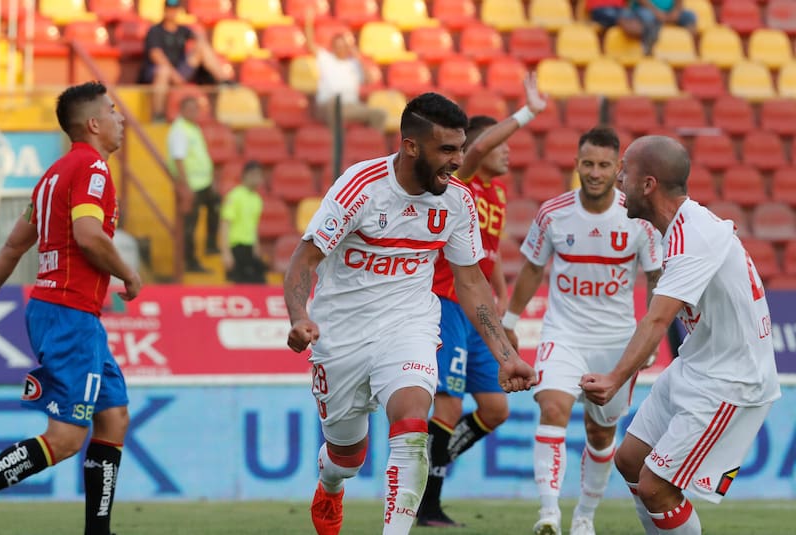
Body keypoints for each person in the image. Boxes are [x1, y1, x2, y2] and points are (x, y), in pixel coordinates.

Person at [284, 92, 537, 535]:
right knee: (347, 457)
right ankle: (330, 485)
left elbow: (472, 281)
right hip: (341, 334)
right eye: (447, 150)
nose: (458, 161)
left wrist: (504, 354)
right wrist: (299, 316)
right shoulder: (360, 187)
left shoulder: (457, 202)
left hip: (409, 325)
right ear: (411, 146)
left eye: (461, 149)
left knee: (413, 421)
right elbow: (304, 262)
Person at [580, 136, 781, 535]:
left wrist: (614, 378)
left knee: (657, 487)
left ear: (648, 184)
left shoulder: (692, 238)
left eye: (625, 172)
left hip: (731, 381)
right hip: (698, 363)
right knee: (631, 460)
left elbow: (656, 321)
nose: (618, 180)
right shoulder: (677, 227)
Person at [0, 81, 142, 535]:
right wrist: (128, 274)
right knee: (65, 439)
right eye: (114, 111)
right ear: (94, 124)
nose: (122, 119)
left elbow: (12, 248)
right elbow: (89, 235)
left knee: (113, 416)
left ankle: (97, 531)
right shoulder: (93, 169)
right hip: (69, 315)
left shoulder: (52, 177)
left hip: (67, 314)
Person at [502, 127, 663, 535]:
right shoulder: (553, 213)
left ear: (618, 169)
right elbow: (533, 268)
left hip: (616, 342)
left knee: (600, 431)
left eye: (604, 165)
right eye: (587, 163)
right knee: (552, 408)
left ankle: (585, 517)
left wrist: (651, 338)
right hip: (564, 333)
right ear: (576, 164)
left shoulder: (637, 218)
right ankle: (549, 513)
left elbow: (658, 278)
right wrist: (509, 321)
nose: (594, 172)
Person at [416, 74, 548, 528]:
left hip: (479, 313)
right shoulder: (464, 183)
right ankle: (427, 503)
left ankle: (428, 471)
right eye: (500, 144)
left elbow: (486, 257)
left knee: (495, 409)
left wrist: (506, 309)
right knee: (448, 406)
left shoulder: (497, 194)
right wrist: (527, 113)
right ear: (479, 147)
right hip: (448, 305)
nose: (509, 151)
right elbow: (471, 151)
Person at [138, 0, 234, 122]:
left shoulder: (183, 30)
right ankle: (158, 114)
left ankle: (223, 80)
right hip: (157, 74)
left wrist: (199, 36)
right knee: (163, 71)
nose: (172, 13)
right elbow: (156, 56)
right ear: (165, 10)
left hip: (179, 72)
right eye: (169, 9)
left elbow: (199, 38)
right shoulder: (155, 31)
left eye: (175, 9)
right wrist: (175, 76)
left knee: (202, 47)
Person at [304, 7, 386, 132]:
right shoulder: (326, 59)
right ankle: (337, 146)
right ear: (333, 47)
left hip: (350, 106)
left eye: (344, 46)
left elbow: (370, 78)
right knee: (334, 107)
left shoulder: (354, 64)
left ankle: (372, 146)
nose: (340, 49)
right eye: (338, 46)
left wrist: (357, 55)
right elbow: (310, 44)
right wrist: (308, 22)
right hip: (328, 104)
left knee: (380, 114)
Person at [167, 95, 222, 273]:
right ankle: (190, 262)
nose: (193, 112)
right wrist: (185, 186)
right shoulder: (180, 130)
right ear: (182, 110)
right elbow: (179, 159)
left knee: (216, 206)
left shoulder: (193, 128)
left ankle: (211, 243)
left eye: (195, 109)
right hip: (191, 185)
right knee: (190, 225)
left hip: (203, 182)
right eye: (190, 108)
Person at [219, 160, 267, 283]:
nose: (257, 179)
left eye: (259, 175)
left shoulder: (257, 199)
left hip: (249, 247)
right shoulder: (235, 196)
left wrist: (256, 247)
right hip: (236, 247)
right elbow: (225, 224)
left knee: (260, 281)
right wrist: (226, 252)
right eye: (254, 175)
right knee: (240, 284)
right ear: (246, 175)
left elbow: (253, 226)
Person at [619, 0, 697, 54]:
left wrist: (676, 11)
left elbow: (679, 4)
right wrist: (657, 12)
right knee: (648, 18)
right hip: (646, 9)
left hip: (668, 11)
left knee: (690, 16)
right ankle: (648, 49)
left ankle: (690, 50)